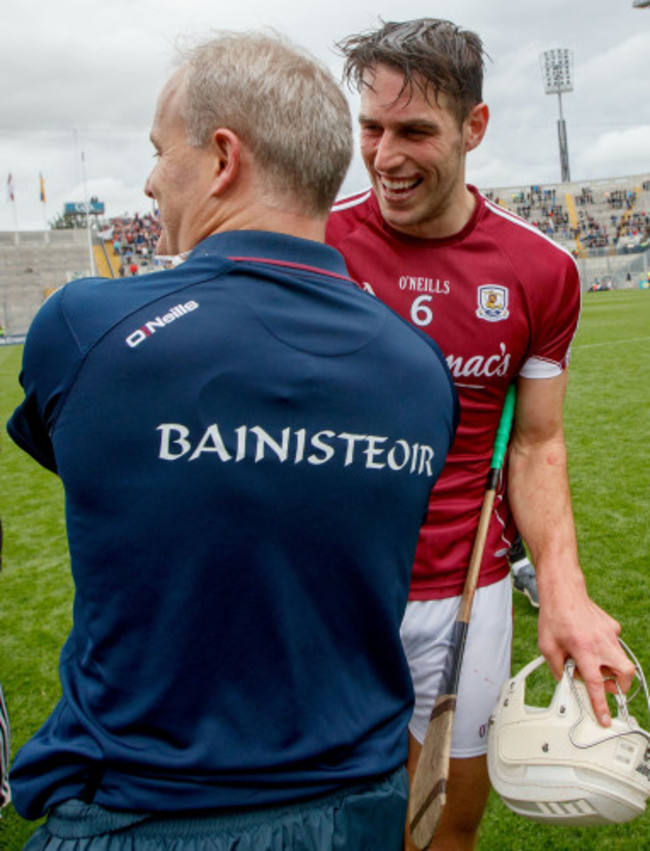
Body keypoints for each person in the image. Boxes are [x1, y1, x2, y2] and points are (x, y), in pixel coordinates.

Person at [6, 31, 459, 851]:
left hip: (144, 812)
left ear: (222, 158)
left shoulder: (88, 326)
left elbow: (91, 460)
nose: (148, 181)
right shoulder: (421, 369)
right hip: (362, 807)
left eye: (156, 151)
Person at [326, 18, 635, 850]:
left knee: (443, 829)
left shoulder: (541, 270)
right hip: (326, 587)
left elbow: (537, 444)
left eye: (415, 131)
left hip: (467, 592)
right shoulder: (316, 242)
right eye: (371, 128)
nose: (386, 156)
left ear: (475, 127)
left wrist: (563, 589)